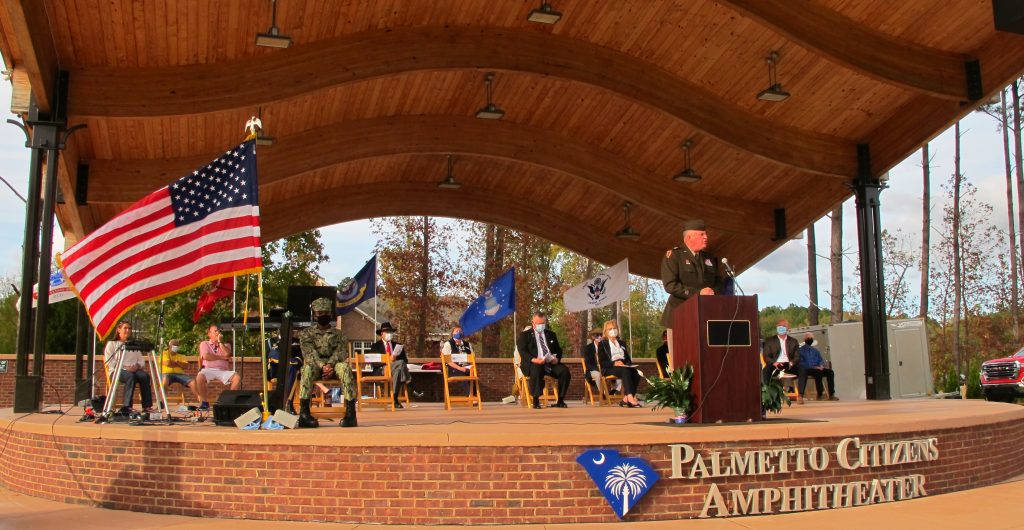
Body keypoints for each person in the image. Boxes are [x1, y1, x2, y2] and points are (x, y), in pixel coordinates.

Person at [297, 297, 357, 428]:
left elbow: (341, 352)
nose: (323, 315)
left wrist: (329, 365)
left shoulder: (340, 334)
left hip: (335, 366)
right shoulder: (306, 333)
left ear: (331, 314)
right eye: (320, 313)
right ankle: (304, 414)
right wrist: (322, 366)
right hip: (316, 366)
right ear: (314, 315)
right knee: (306, 369)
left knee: (345, 368)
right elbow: (309, 353)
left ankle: (350, 414)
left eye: (326, 313)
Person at [660, 219, 725, 329]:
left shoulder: (709, 257)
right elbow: (670, 285)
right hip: (680, 315)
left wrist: (713, 291)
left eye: (705, 234)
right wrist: (698, 294)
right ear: (689, 237)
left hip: (705, 315)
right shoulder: (674, 256)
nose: (706, 237)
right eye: (702, 234)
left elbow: (719, 282)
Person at [516, 312, 571, 409]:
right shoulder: (525, 335)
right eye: (538, 324)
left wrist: (556, 359)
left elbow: (558, 349)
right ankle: (536, 401)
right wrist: (534, 360)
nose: (541, 326)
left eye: (543, 323)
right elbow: (522, 351)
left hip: (550, 363)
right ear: (533, 323)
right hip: (534, 363)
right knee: (537, 369)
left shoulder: (551, 334)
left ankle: (560, 401)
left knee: (564, 371)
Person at [103, 321, 154, 413]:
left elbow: (141, 360)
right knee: (131, 376)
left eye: (129, 328)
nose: (128, 330)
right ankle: (127, 407)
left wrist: (137, 366)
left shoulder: (134, 345)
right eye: (125, 328)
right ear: (119, 330)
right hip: (117, 370)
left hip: (135, 369)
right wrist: (125, 367)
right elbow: (110, 362)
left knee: (145, 376)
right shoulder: (112, 344)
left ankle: (147, 406)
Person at [369, 322, 422, 409]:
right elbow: (374, 362)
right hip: (382, 369)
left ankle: (395, 398)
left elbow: (405, 361)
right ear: (382, 334)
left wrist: (395, 360)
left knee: (398, 370)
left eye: (390, 332)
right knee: (400, 364)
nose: (389, 334)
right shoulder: (375, 346)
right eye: (387, 332)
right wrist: (388, 360)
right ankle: (411, 385)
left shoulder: (398, 346)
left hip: (396, 369)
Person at [195, 324, 242, 410]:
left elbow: (227, 354)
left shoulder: (226, 345)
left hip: (223, 371)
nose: (218, 333)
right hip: (208, 370)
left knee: (237, 378)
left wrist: (220, 342)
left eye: (219, 331)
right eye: (215, 331)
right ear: (209, 334)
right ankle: (204, 402)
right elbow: (206, 357)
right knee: (199, 377)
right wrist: (222, 358)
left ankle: (230, 402)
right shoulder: (204, 344)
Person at [597, 320, 642, 407]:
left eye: (614, 328)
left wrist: (629, 365)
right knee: (625, 371)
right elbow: (602, 362)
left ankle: (625, 399)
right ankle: (630, 398)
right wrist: (614, 363)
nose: (613, 330)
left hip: (623, 366)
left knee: (637, 373)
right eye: (610, 329)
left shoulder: (622, 343)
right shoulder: (602, 344)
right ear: (605, 331)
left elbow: (627, 359)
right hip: (609, 367)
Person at [761, 319, 801, 398]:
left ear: (788, 328)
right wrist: (774, 363)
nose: (781, 327)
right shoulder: (770, 341)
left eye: (784, 326)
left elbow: (797, 356)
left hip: (789, 365)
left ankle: (800, 395)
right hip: (775, 365)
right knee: (766, 370)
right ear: (776, 327)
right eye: (779, 326)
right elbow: (766, 356)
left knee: (803, 370)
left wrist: (792, 363)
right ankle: (766, 394)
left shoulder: (793, 341)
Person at [797, 332, 838, 401]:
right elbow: (801, 363)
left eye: (811, 338)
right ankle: (820, 394)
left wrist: (821, 365)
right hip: (807, 369)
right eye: (808, 338)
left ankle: (831, 394)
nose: (810, 339)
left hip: (817, 368)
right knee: (818, 372)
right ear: (805, 339)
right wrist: (815, 367)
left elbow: (820, 360)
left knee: (830, 372)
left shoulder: (815, 350)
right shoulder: (801, 350)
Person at [442, 325, 474, 396]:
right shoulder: (448, 344)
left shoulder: (467, 344)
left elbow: (472, 358)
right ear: (452, 333)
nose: (459, 333)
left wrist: (470, 366)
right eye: (456, 331)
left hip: (467, 367)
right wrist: (459, 368)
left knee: (473, 373)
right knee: (463, 373)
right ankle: (469, 395)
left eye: (460, 331)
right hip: (454, 369)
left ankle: (474, 395)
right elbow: (447, 360)